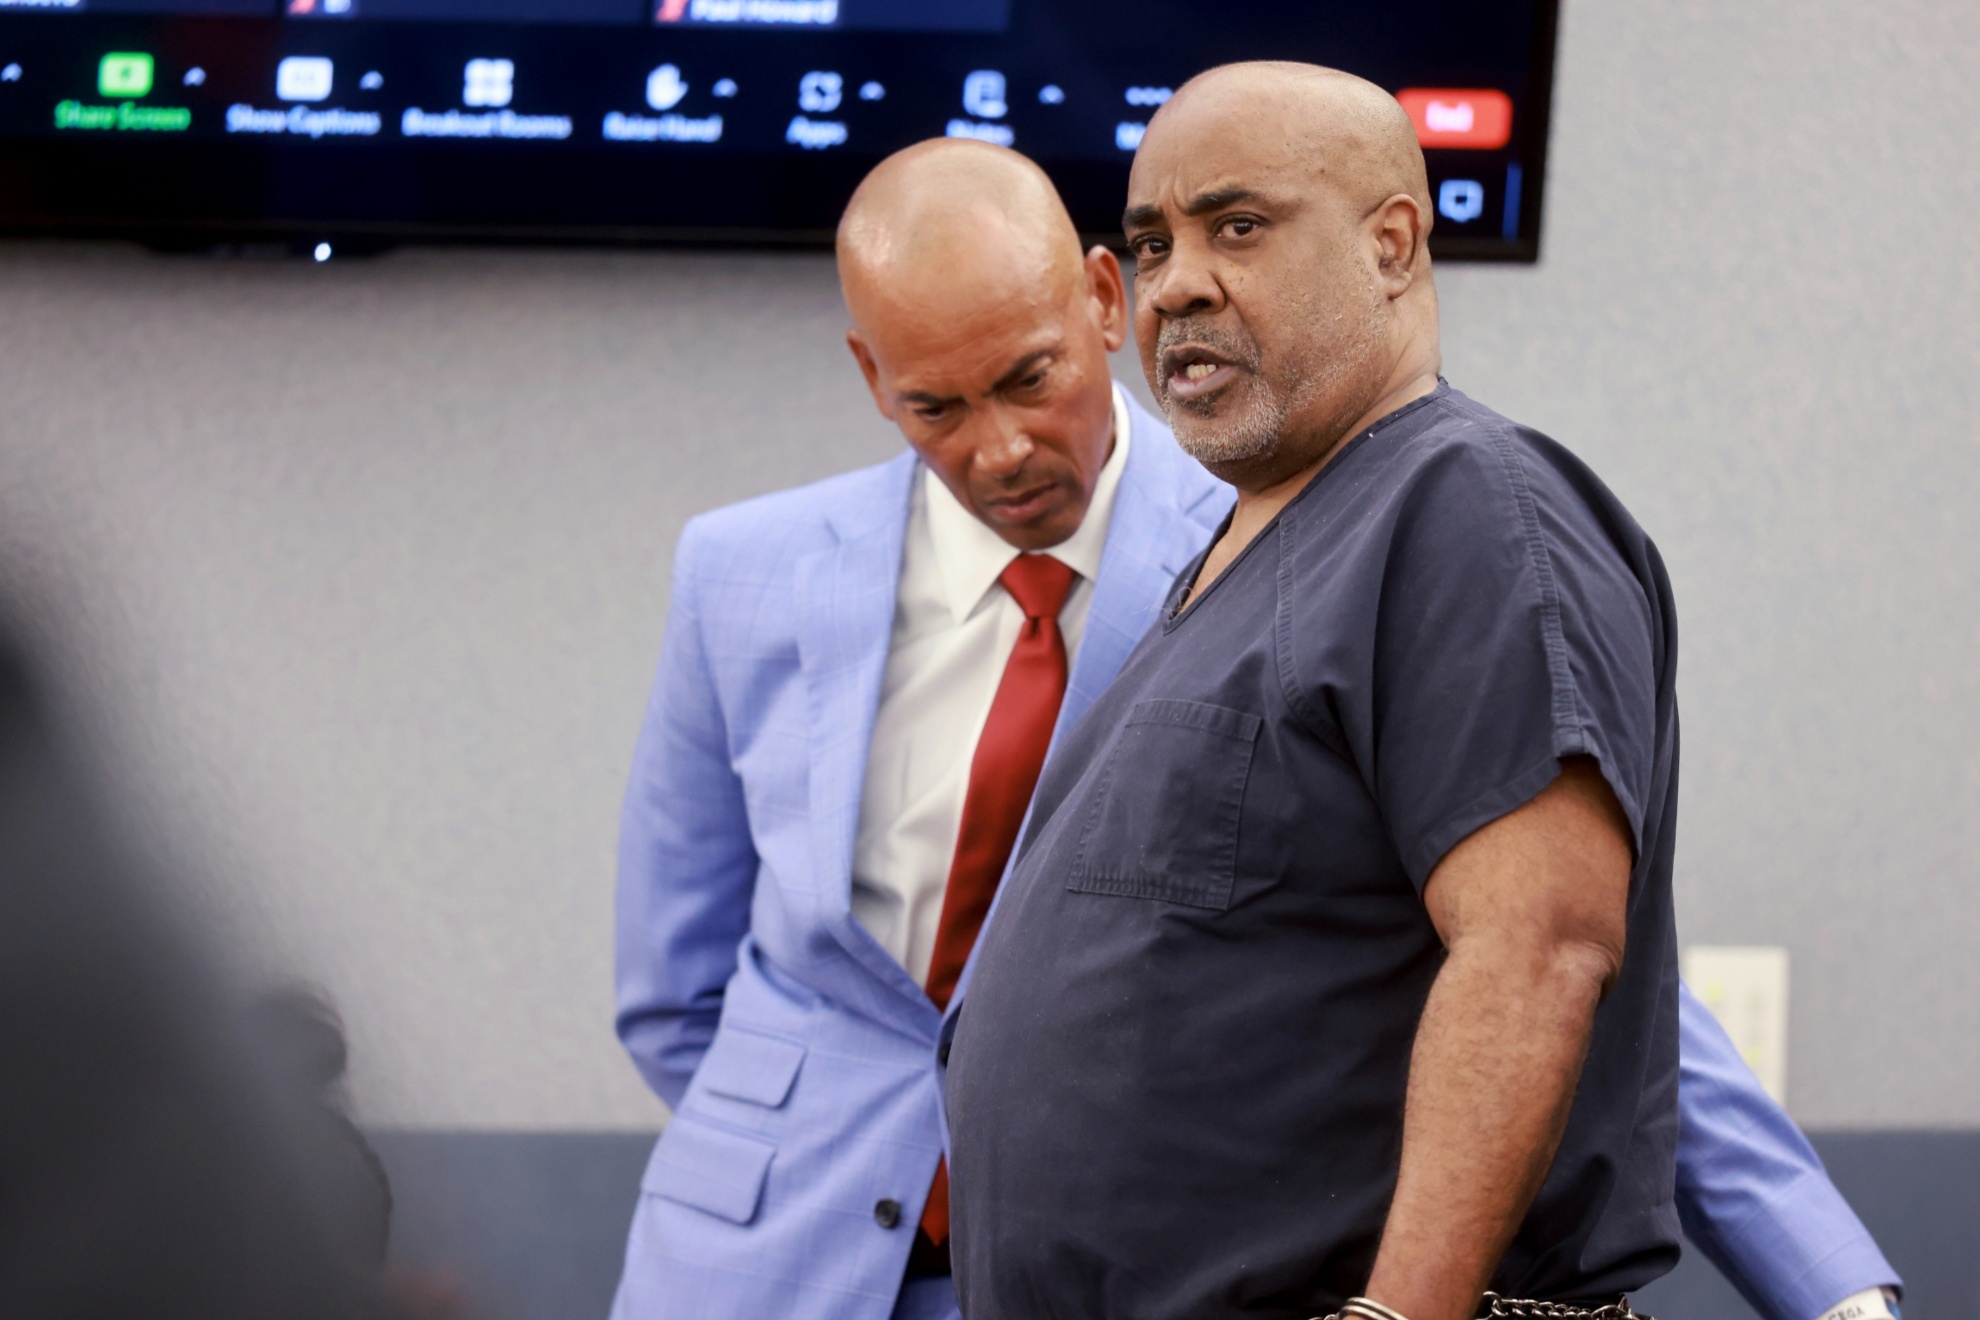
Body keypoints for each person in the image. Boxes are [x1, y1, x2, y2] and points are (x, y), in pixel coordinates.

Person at [609, 138, 1899, 1320]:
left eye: (1029, 380)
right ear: (868, 376)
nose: (999, 449)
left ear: (1105, 306)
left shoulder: (1296, 541)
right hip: (767, 1262)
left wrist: (1833, 1291)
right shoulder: (743, 575)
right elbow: (676, 987)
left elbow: (1569, 956)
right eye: (934, 410)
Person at [941, 64, 1882, 1320]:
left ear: (1392, 244)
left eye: (1237, 226)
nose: (1176, 285)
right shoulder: (1241, 556)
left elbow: (1537, 949)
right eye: (1151, 243)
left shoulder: (1469, 509)